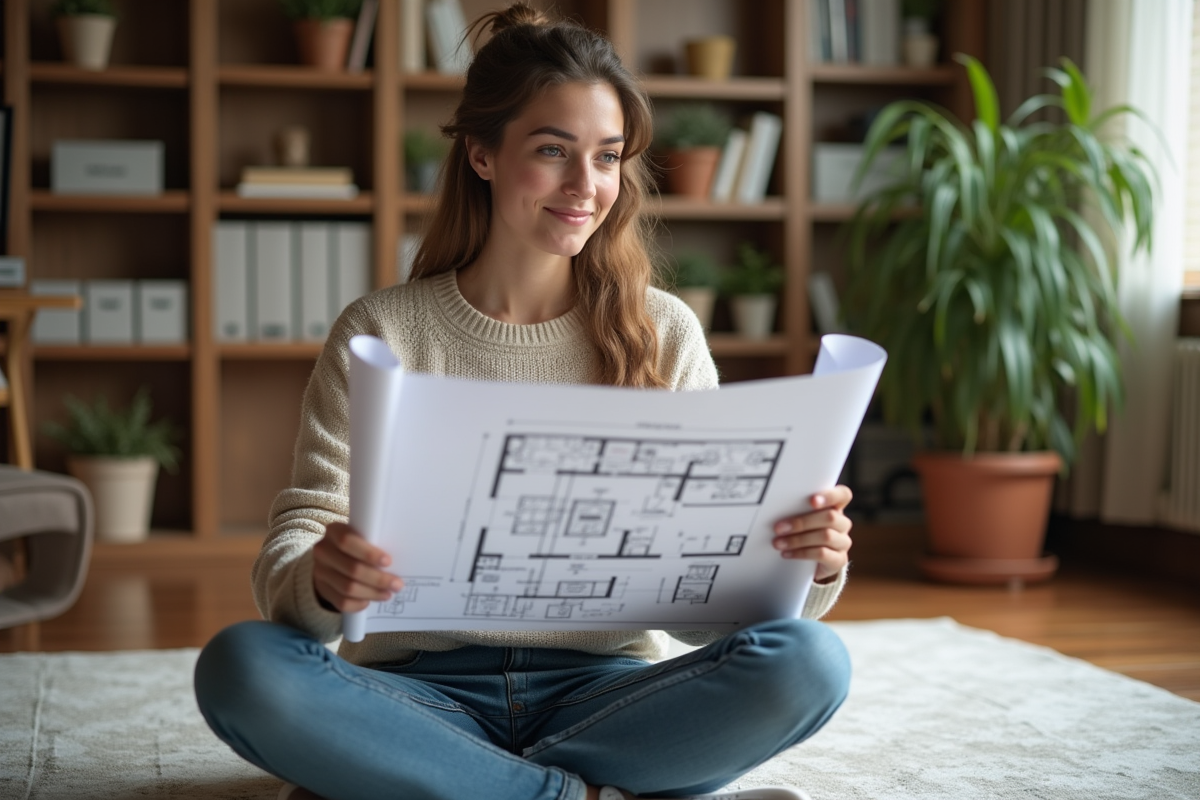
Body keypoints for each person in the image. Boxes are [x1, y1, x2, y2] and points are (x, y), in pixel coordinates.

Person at [194, 5, 854, 800]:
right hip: (420, 693)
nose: (586, 186)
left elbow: (703, 616)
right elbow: (298, 546)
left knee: (811, 662)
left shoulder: (664, 332)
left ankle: (452, 787)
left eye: (607, 157)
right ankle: (574, 793)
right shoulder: (383, 331)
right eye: (552, 151)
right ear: (482, 153)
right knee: (240, 667)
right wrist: (325, 580)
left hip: (605, 694)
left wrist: (804, 565)